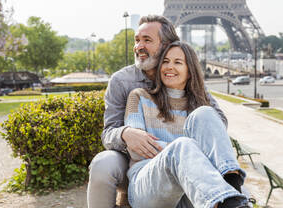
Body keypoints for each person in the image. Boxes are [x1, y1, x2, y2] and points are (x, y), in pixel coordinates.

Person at [87, 15, 228, 208]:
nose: (139, 46)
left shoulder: (190, 82)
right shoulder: (123, 83)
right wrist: (125, 133)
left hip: (185, 158)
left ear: (167, 45)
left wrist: (187, 151)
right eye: (137, 40)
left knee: (189, 144)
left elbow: (216, 124)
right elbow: (108, 133)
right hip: (133, 159)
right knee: (103, 164)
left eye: (147, 40)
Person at [124, 41, 249, 208]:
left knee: (205, 113)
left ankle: (232, 190)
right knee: (183, 145)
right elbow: (137, 149)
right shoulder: (139, 97)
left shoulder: (200, 105)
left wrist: (191, 159)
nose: (169, 67)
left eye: (177, 62)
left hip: (194, 187)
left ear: (190, 71)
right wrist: (190, 155)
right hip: (148, 186)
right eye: (165, 62)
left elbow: (218, 141)